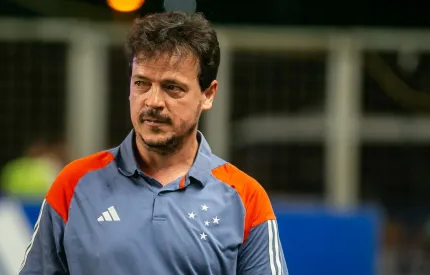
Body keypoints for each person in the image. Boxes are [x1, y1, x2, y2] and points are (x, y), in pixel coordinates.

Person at [18, 12, 288, 275]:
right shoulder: (74, 184)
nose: (153, 101)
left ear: (208, 95)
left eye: (172, 87)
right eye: (141, 84)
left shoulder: (244, 198)